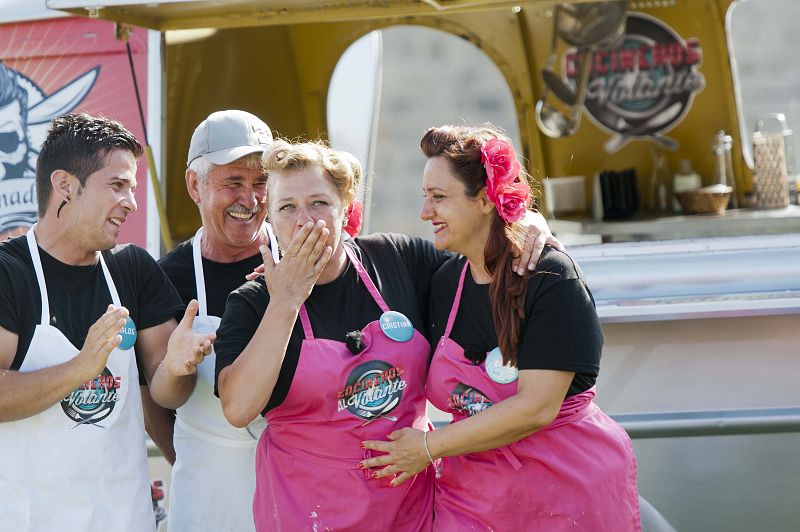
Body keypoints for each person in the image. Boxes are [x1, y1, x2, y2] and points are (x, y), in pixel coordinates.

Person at [214, 139, 559, 530]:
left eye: (319, 203)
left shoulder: (398, 259)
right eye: (287, 207)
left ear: (346, 210)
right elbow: (238, 409)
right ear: (269, 221)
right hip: (307, 512)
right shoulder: (253, 303)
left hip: (411, 510)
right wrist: (286, 301)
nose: (305, 220)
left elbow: (483, 258)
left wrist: (526, 223)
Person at [361, 125, 641, 530]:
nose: (425, 212)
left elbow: (536, 408)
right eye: (425, 197)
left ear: (486, 200)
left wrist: (427, 446)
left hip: (566, 493)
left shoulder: (549, 275)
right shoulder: (443, 279)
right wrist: (280, 277)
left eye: (439, 198)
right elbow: (350, 264)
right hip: (476, 500)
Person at [0, 113, 215, 531]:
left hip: (125, 517)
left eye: (132, 188)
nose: (131, 203)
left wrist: (178, 365)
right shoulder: (10, 273)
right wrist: (81, 368)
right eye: (117, 186)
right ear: (64, 185)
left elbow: (167, 395)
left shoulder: (132, 269)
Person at [156, 109, 278, 532]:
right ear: (195, 185)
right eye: (233, 182)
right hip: (207, 499)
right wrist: (201, 456)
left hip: (296, 494)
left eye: (261, 182)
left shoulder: (301, 261)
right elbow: (154, 401)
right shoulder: (167, 278)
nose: (251, 199)